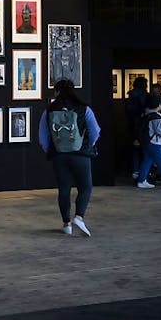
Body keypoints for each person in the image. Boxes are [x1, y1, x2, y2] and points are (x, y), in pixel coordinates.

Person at [38, 79, 101, 237]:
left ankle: (66, 224)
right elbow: (95, 131)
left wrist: (50, 149)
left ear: (57, 92)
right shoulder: (84, 109)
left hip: (59, 156)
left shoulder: (49, 110)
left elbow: (42, 136)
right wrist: (88, 145)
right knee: (85, 187)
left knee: (64, 189)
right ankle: (79, 217)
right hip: (81, 155)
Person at [125, 77, 149, 180]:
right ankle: (144, 173)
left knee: (135, 149)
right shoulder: (144, 95)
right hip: (143, 124)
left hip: (132, 124)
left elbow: (128, 111)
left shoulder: (130, 95)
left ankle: (135, 170)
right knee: (145, 149)